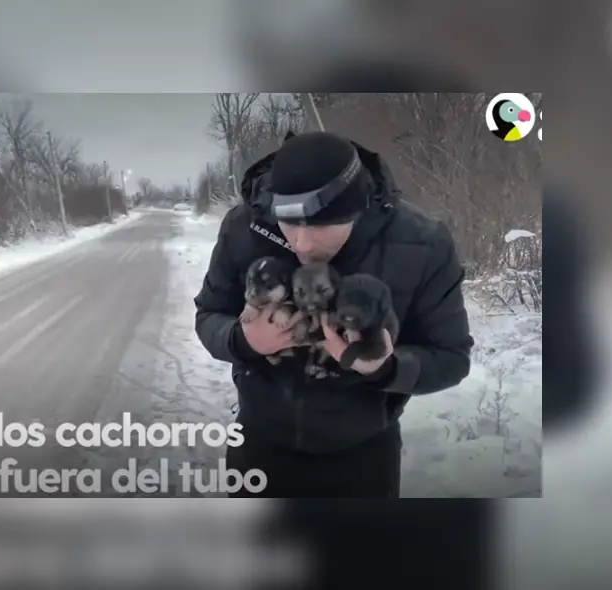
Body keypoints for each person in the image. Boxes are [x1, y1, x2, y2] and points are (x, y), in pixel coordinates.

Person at [194, 131, 474, 498]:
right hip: (259, 445)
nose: (301, 242)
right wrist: (244, 340)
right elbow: (209, 314)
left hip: (363, 456)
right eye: (289, 224)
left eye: (320, 225)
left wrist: (384, 367)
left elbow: (451, 358)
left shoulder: (421, 243)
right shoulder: (245, 226)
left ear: (357, 209)